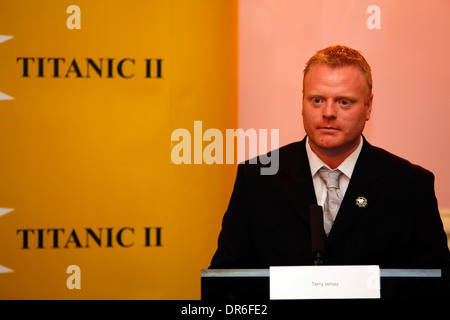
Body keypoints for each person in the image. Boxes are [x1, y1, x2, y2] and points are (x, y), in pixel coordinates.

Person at [209, 45, 450, 299]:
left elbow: (438, 286)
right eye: (317, 100)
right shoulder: (257, 178)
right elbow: (225, 282)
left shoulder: (410, 186)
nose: (328, 113)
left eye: (344, 102)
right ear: (302, 102)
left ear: (368, 107)